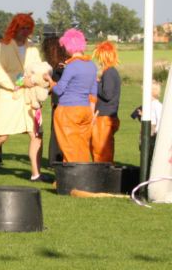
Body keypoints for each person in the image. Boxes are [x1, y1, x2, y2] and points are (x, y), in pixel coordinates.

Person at [0, 14, 44, 181]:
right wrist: (21, 81)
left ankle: (36, 173)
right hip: (9, 98)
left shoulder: (33, 48)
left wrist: (36, 81)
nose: (25, 31)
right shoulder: (2, 47)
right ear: (14, 28)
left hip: (30, 98)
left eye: (28, 28)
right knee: (1, 136)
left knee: (36, 135)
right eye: (22, 28)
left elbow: (39, 70)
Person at [50, 28, 97, 163]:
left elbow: (59, 90)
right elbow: (94, 91)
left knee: (69, 147)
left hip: (68, 110)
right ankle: (82, 174)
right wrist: (91, 110)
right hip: (86, 110)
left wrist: (50, 82)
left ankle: (72, 175)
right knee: (82, 146)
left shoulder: (71, 66)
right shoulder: (92, 65)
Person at [41, 34, 69, 167]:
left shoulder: (54, 66)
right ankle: (59, 159)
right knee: (62, 131)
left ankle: (54, 160)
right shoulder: (65, 64)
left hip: (58, 100)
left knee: (56, 131)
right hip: (65, 100)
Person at [91, 41, 121, 162]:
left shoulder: (109, 72)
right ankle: (105, 170)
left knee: (100, 150)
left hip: (104, 116)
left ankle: (102, 172)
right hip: (108, 115)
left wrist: (95, 84)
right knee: (105, 150)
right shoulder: (112, 72)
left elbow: (107, 94)